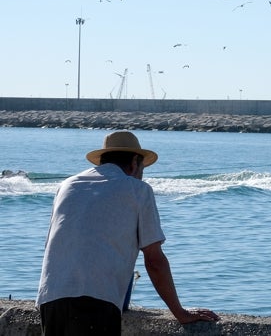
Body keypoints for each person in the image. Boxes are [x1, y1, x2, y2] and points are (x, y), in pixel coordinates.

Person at [37, 131, 219, 335]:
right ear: (134, 162)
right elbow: (154, 261)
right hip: (97, 303)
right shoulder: (138, 190)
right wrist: (180, 312)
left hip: (50, 298)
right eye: (143, 168)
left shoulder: (66, 186)